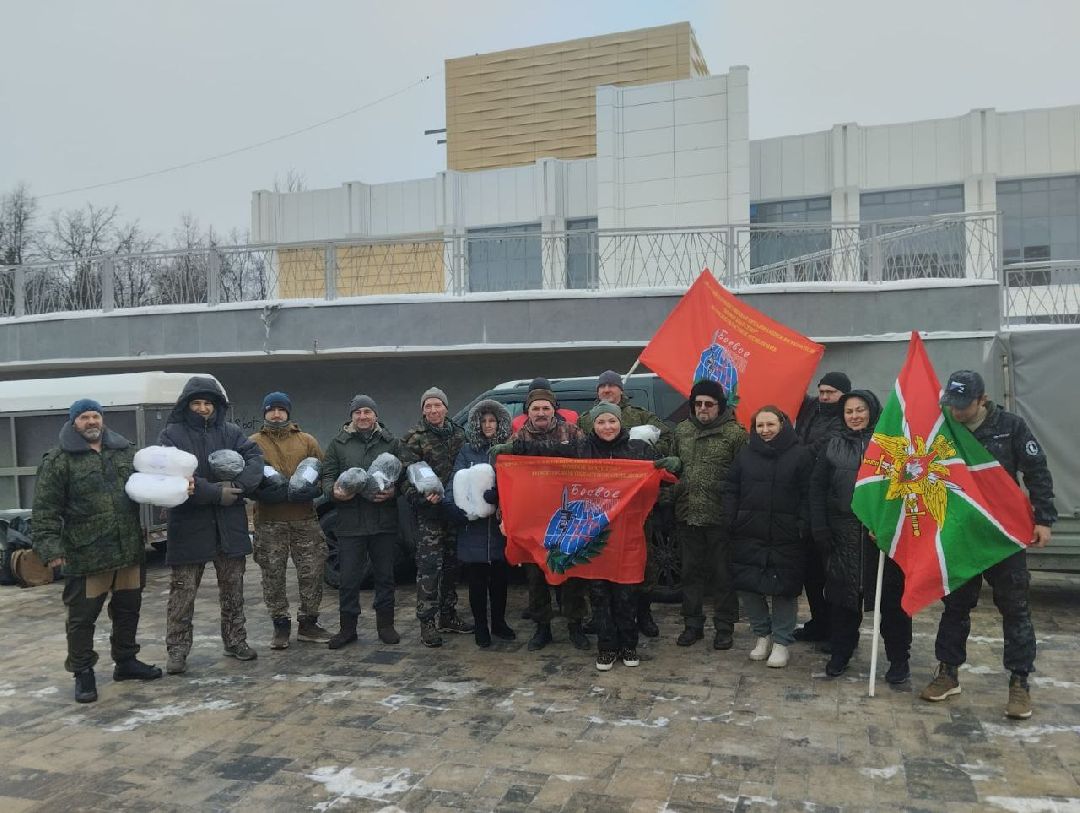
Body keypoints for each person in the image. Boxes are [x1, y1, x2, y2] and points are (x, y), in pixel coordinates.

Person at [920, 370, 1056, 720]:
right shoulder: (944, 427)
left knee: (1015, 608)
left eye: (964, 405)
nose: (957, 411)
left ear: (982, 400)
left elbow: (1037, 470)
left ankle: (1020, 682)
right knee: (955, 605)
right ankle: (948, 672)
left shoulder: (1011, 426)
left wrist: (1044, 519)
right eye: (952, 404)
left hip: (1002, 534)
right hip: (961, 534)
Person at [32, 399, 163, 703]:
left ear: (102, 419)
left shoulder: (125, 451)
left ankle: (126, 661)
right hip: (86, 553)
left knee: (128, 609)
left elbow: (150, 482)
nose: (91, 422)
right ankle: (83, 672)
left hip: (128, 549)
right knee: (82, 618)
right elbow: (45, 510)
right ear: (73, 422)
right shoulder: (59, 460)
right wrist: (50, 547)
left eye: (95, 416)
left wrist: (175, 489)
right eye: (84, 417)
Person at [159, 377, 264, 675]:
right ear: (186, 405)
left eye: (208, 403)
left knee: (233, 589)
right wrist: (215, 493)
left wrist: (238, 485)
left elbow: (255, 458)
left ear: (217, 406)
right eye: (197, 403)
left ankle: (235, 640)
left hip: (229, 525)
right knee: (183, 592)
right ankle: (177, 649)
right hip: (189, 525)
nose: (203, 408)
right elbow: (171, 474)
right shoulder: (171, 435)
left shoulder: (231, 432)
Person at [810, 389, 911, 681]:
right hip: (843, 537)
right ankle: (841, 653)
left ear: (872, 410)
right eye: (849, 411)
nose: (855, 416)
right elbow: (817, 490)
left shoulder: (891, 445)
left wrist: (889, 525)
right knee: (843, 601)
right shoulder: (833, 445)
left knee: (892, 603)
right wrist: (820, 527)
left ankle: (898, 660)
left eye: (860, 410)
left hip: (881, 537)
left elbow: (905, 490)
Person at [566, 402, 676, 671]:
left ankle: (629, 644)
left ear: (620, 422)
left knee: (626, 594)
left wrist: (674, 466)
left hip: (629, 534)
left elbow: (662, 474)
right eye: (601, 422)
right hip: (594, 534)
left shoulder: (638, 449)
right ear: (593, 425)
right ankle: (606, 647)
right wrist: (515, 450)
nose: (607, 427)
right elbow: (549, 464)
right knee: (600, 594)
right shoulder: (581, 450)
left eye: (612, 421)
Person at [578, 369, 672, 638]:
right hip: (598, 511)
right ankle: (602, 618)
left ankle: (643, 613)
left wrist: (653, 449)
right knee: (599, 563)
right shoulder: (586, 421)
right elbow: (570, 456)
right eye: (603, 386)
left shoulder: (641, 416)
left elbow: (666, 440)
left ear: (621, 389)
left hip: (634, 509)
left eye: (612, 385)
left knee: (642, 563)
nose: (607, 389)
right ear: (598, 391)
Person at [500, 387, 590, 651]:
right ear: (528, 411)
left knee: (570, 571)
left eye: (546, 408)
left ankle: (576, 625)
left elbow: (589, 470)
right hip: (532, 516)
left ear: (554, 410)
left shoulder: (572, 433)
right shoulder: (517, 438)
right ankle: (542, 628)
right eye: (536, 408)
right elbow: (507, 478)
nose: (541, 413)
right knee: (536, 574)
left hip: (567, 513)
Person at [724, 406, 813, 668]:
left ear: (782, 423)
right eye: (760, 426)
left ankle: (782, 642)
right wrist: (732, 518)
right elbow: (731, 488)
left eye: (770, 424)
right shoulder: (745, 455)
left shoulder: (800, 454)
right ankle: (762, 636)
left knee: (783, 589)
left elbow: (809, 494)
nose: (765, 430)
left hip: (786, 535)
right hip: (749, 532)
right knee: (750, 587)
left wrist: (802, 525)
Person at [321, 394, 408, 648]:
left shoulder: (391, 443)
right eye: (358, 412)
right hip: (350, 523)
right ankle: (347, 629)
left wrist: (394, 492)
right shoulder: (339, 444)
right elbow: (327, 475)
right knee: (348, 579)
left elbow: (403, 477)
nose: (362, 417)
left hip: (383, 523)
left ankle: (386, 626)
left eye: (367, 412)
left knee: (384, 577)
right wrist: (333, 491)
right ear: (352, 417)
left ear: (375, 416)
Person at [669, 379, 747, 650]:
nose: (703, 408)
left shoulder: (735, 434)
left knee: (722, 576)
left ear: (719, 406)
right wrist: (676, 486)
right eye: (698, 403)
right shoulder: (682, 431)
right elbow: (673, 471)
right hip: (688, 514)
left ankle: (724, 627)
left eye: (709, 404)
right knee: (690, 574)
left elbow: (743, 477)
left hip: (720, 518)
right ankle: (692, 625)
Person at [249, 391, 330, 650]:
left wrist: (314, 491)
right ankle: (280, 626)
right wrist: (258, 491)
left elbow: (324, 474)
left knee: (313, 572)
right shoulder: (253, 443)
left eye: (281, 410)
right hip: (269, 522)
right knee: (273, 575)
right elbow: (246, 477)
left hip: (305, 519)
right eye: (271, 410)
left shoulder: (306, 441)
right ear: (265, 413)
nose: (276, 414)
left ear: (288, 412)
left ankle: (308, 623)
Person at [402, 386, 472, 648]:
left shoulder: (459, 433)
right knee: (430, 568)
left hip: (454, 511)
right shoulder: (413, 438)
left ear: (445, 407)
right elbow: (404, 478)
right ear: (423, 410)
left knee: (453, 565)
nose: (433, 410)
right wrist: (421, 497)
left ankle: (448, 614)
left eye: (437, 405)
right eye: (428, 406)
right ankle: (427, 622)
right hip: (429, 514)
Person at [444, 399, 516, 648]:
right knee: (476, 581)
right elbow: (455, 481)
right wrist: (454, 508)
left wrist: (500, 495)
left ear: (500, 423)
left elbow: (518, 482)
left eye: (492, 421)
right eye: (483, 421)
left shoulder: (508, 449)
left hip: (499, 528)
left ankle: (499, 622)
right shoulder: (467, 451)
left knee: (499, 579)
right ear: (476, 424)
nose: (488, 425)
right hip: (473, 528)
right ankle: (481, 626)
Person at [793, 371, 850, 645]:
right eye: (823, 391)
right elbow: (799, 436)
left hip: (831, 504)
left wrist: (794, 455)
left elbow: (822, 447)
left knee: (833, 577)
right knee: (811, 572)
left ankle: (834, 631)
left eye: (831, 392)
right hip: (804, 500)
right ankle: (818, 622)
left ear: (843, 394)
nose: (825, 397)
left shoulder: (847, 418)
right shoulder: (811, 411)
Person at [510, 377, 579, 433]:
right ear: (528, 408)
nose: (541, 414)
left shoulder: (571, 419)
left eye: (546, 408)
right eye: (535, 409)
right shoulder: (517, 425)